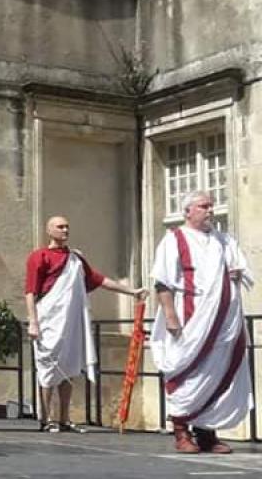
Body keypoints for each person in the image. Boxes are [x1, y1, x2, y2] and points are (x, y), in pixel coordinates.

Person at [151, 191, 252, 454]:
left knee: (215, 372)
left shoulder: (223, 240)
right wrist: (170, 316)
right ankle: (181, 430)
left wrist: (236, 273)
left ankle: (206, 432)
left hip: (224, 320)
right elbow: (162, 281)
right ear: (187, 211)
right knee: (189, 373)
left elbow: (240, 270)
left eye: (211, 205)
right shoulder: (174, 239)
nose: (210, 210)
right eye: (204, 206)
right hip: (191, 316)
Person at [25, 215, 146, 433]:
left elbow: (99, 280)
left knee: (69, 367)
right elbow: (31, 291)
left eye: (67, 227)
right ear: (49, 231)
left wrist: (132, 292)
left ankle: (64, 418)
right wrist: (33, 321)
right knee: (47, 367)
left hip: (71, 322)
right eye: (60, 227)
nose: (65, 230)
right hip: (49, 319)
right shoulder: (39, 256)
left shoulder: (75, 259)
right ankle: (46, 418)